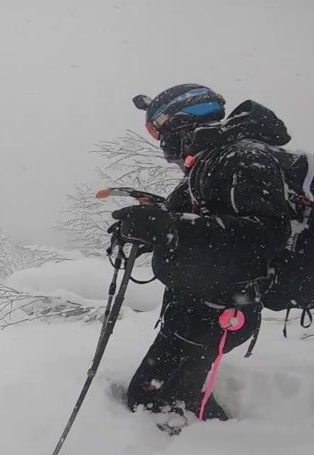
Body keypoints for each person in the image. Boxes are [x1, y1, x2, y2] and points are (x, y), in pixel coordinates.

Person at [110, 84, 294, 427]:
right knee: (155, 400)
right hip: (193, 304)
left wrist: (170, 227)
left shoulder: (243, 156)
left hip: (218, 310)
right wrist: (148, 229)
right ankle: (191, 449)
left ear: (181, 120)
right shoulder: (208, 164)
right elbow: (196, 224)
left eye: (159, 131)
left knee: (160, 404)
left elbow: (264, 235)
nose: (161, 142)